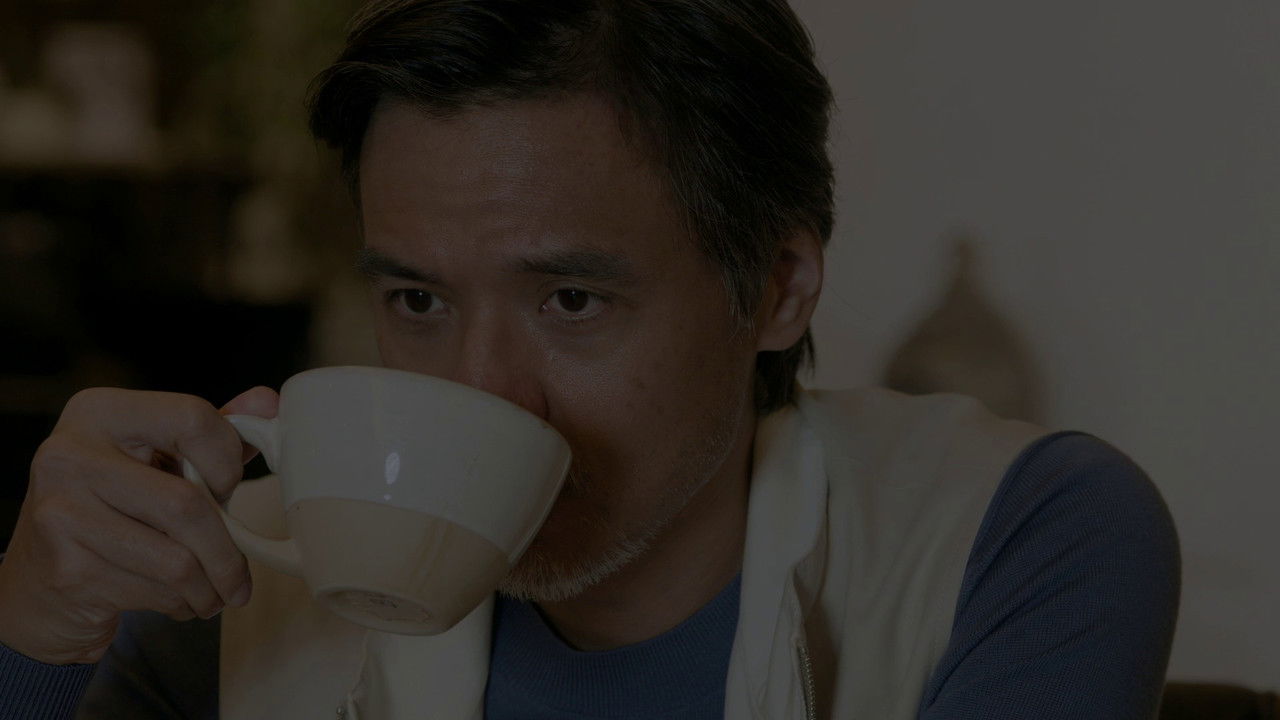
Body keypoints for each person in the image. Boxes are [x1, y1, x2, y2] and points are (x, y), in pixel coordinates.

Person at [0, 1, 1180, 718]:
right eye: (417, 298)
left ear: (776, 288)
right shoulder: (223, 586)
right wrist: (31, 640)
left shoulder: (1011, 535)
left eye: (569, 299)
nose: (481, 389)